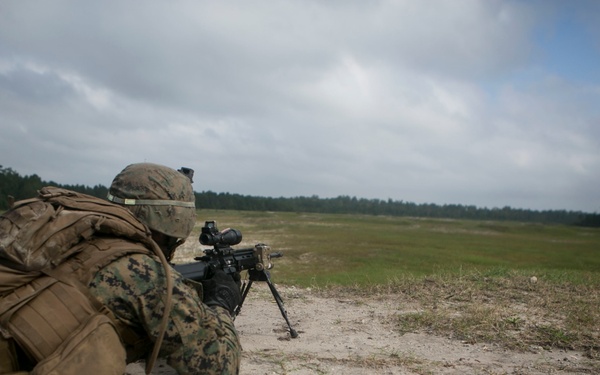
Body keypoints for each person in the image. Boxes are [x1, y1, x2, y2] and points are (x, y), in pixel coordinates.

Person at [0, 162, 241, 375]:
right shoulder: (143, 273)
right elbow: (217, 366)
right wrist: (220, 304)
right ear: (174, 218)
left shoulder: (70, 235)